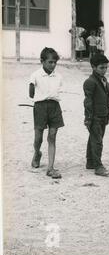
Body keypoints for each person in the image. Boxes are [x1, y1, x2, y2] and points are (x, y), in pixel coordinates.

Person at [29, 47, 64, 179]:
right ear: (42, 61)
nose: (53, 65)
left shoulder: (59, 76)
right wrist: (33, 91)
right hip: (40, 107)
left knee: (52, 135)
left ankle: (50, 168)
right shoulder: (35, 75)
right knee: (38, 137)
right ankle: (37, 153)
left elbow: (57, 92)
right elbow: (31, 93)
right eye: (50, 62)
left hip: (55, 106)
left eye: (55, 62)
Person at [83, 54, 109, 177]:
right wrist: (88, 118)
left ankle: (90, 162)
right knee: (97, 141)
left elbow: (106, 99)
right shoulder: (90, 82)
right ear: (93, 67)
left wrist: (107, 114)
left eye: (106, 67)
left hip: (103, 115)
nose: (104, 70)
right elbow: (88, 102)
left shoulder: (104, 81)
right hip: (94, 117)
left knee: (94, 139)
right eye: (101, 68)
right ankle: (98, 166)